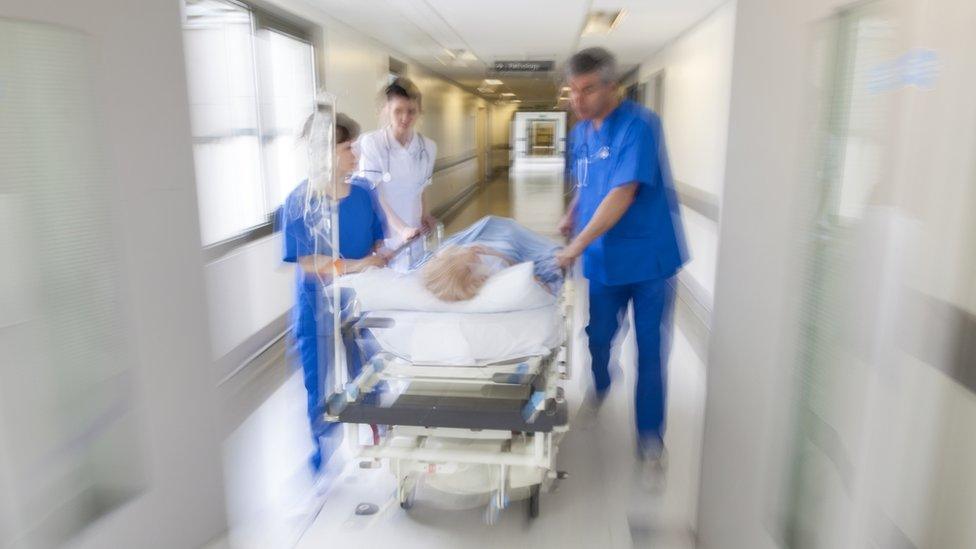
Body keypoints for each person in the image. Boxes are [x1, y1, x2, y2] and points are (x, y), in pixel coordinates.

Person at [554, 47, 686, 484]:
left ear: (613, 86)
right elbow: (591, 184)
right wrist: (573, 211)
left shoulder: (641, 126)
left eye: (588, 89)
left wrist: (575, 246)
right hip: (604, 260)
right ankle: (603, 383)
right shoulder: (580, 135)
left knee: (651, 351)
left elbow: (622, 193)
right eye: (573, 91)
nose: (578, 99)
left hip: (648, 259)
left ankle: (650, 436)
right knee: (597, 336)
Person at [280, 110, 387, 474]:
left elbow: (377, 243)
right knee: (319, 379)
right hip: (316, 306)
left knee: (368, 367)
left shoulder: (363, 195)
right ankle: (321, 447)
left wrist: (373, 261)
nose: (355, 155)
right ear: (323, 153)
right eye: (347, 147)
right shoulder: (299, 203)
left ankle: (378, 430)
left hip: (359, 301)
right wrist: (354, 266)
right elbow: (307, 262)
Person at [356, 77, 438, 271]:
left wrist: (425, 214)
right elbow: (374, 194)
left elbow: (421, 187)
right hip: (384, 237)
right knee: (388, 289)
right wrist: (401, 229)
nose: (405, 118)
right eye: (398, 111)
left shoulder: (428, 147)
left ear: (419, 111)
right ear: (386, 110)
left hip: (414, 234)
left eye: (411, 111)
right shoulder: (372, 143)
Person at [417, 216, 563, 302]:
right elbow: (529, 277)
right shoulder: (492, 271)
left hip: (485, 235)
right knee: (506, 228)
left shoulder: (456, 263)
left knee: (492, 222)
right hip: (503, 240)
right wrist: (495, 254)